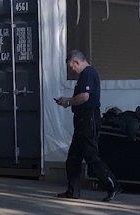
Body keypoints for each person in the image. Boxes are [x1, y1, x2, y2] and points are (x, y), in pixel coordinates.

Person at [55, 50, 119, 201]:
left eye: (72, 67)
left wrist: (68, 101)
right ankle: (73, 191)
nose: (72, 71)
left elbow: (84, 96)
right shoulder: (85, 75)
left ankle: (113, 185)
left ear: (76, 62)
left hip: (88, 120)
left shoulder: (88, 73)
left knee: (91, 156)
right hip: (82, 120)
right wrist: (68, 100)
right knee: (73, 158)